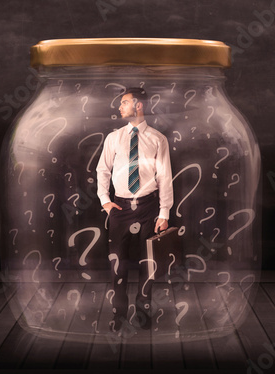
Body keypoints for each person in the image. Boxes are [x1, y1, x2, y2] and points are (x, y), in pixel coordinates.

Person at [96, 87, 174, 332]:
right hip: (120, 208)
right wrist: (105, 201)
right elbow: (102, 170)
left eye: (124, 102)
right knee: (117, 264)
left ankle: (143, 314)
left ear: (138, 105)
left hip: (148, 207)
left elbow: (165, 178)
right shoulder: (113, 138)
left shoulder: (158, 139)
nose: (119, 107)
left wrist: (164, 213)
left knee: (147, 264)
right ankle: (118, 315)